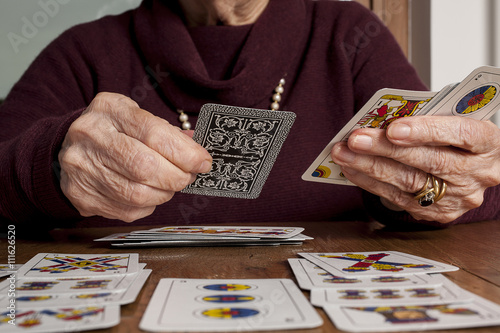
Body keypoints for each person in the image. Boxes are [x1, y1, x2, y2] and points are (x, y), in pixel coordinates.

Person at [1, 0, 500, 232]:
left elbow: (458, 178)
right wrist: (48, 166)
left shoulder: (350, 33)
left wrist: (429, 192)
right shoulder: (83, 50)